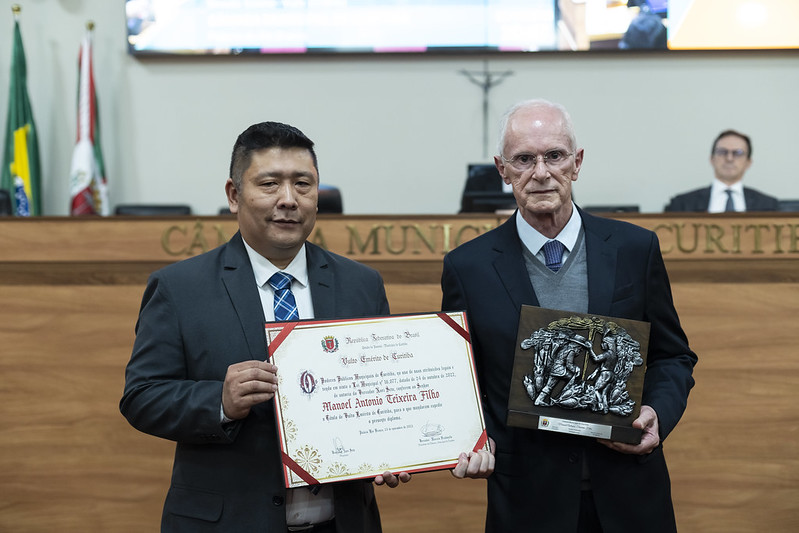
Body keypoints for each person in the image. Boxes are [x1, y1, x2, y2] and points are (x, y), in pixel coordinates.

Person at [121, 121, 427, 532]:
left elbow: (382, 393)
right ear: (234, 195)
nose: (289, 200)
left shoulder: (360, 283)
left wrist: (392, 447)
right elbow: (141, 397)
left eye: (303, 184)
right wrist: (220, 402)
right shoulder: (180, 287)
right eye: (269, 184)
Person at [441, 99, 697, 532]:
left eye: (554, 156)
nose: (540, 172)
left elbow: (673, 357)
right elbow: (459, 379)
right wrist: (470, 440)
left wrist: (657, 410)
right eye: (523, 159)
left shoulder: (635, 249)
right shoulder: (468, 267)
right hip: (527, 502)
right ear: (502, 171)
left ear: (576, 163)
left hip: (631, 495)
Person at [664, 129, 779, 212]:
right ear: (712, 159)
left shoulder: (769, 205)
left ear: (748, 162)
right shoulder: (682, 204)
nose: (729, 158)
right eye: (722, 152)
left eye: (738, 153)